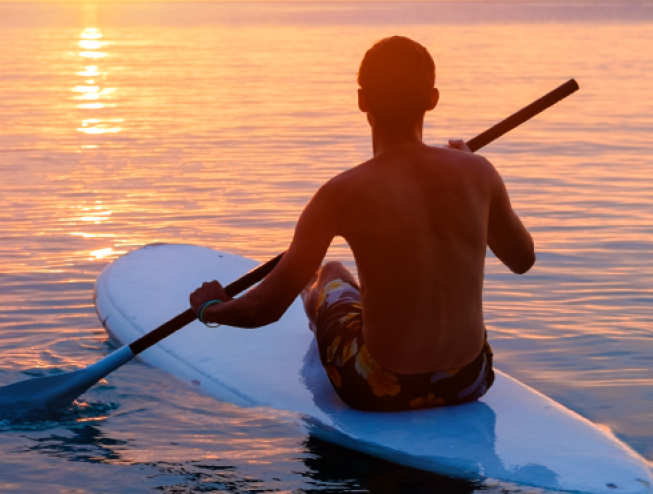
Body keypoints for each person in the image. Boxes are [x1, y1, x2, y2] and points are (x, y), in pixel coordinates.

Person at [189, 36, 534, 412]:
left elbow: (264, 309)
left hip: (377, 386)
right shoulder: (479, 173)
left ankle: (331, 319)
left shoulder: (340, 193)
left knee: (329, 273)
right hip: (471, 379)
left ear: (362, 100)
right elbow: (522, 259)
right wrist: (476, 186)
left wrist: (211, 309)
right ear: (432, 99)